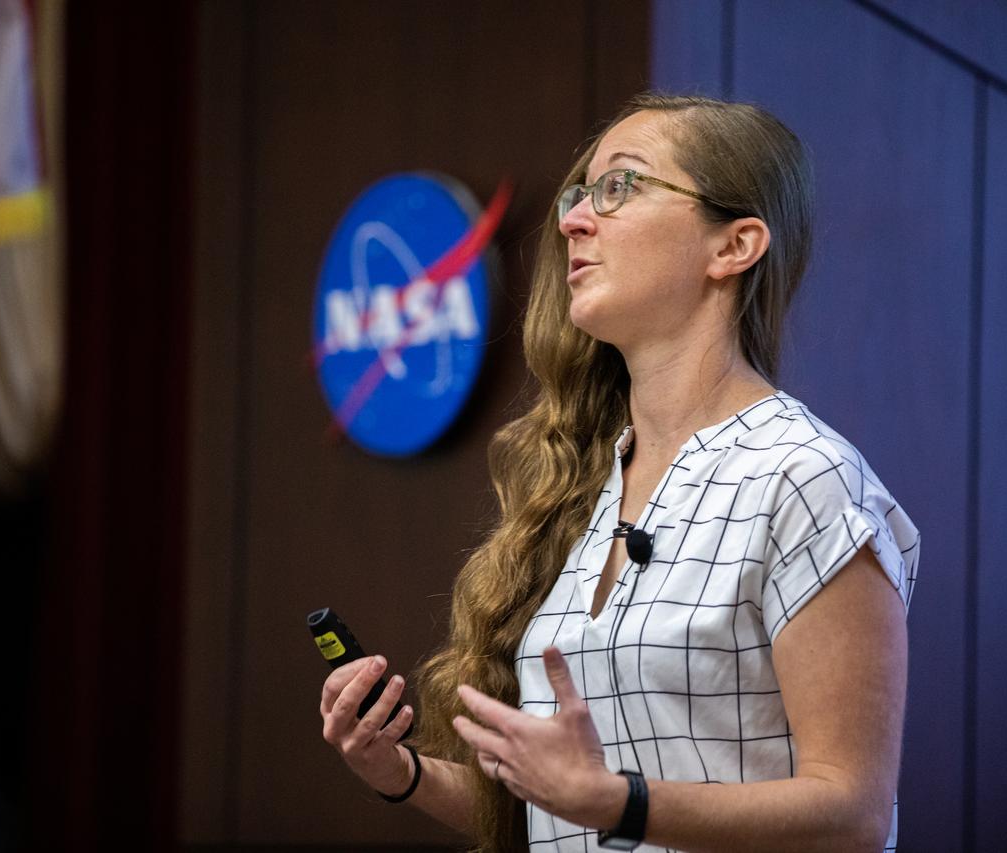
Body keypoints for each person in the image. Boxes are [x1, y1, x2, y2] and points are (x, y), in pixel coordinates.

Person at [320, 93, 920, 853]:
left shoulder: (803, 477)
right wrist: (400, 770)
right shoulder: (586, 486)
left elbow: (854, 814)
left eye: (619, 187)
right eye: (578, 195)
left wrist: (617, 801)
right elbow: (557, 814)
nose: (573, 220)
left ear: (733, 246)